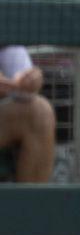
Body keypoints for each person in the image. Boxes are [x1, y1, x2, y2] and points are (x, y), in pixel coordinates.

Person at [0, 45, 56, 183]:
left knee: (40, 112)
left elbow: (24, 89)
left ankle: (32, 203)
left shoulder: (7, 37)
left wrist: (29, 81)